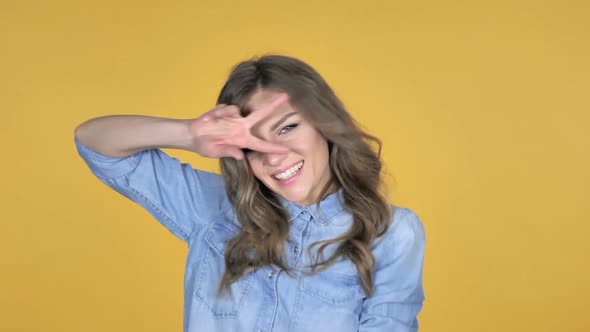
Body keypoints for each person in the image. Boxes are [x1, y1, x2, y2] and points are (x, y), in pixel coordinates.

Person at [74, 54, 426, 332]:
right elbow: (95, 143)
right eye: (251, 143)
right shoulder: (213, 207)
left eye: (287, 127)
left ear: (325, 125)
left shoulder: (392, 232)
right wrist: (190, 135)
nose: (273, 154)